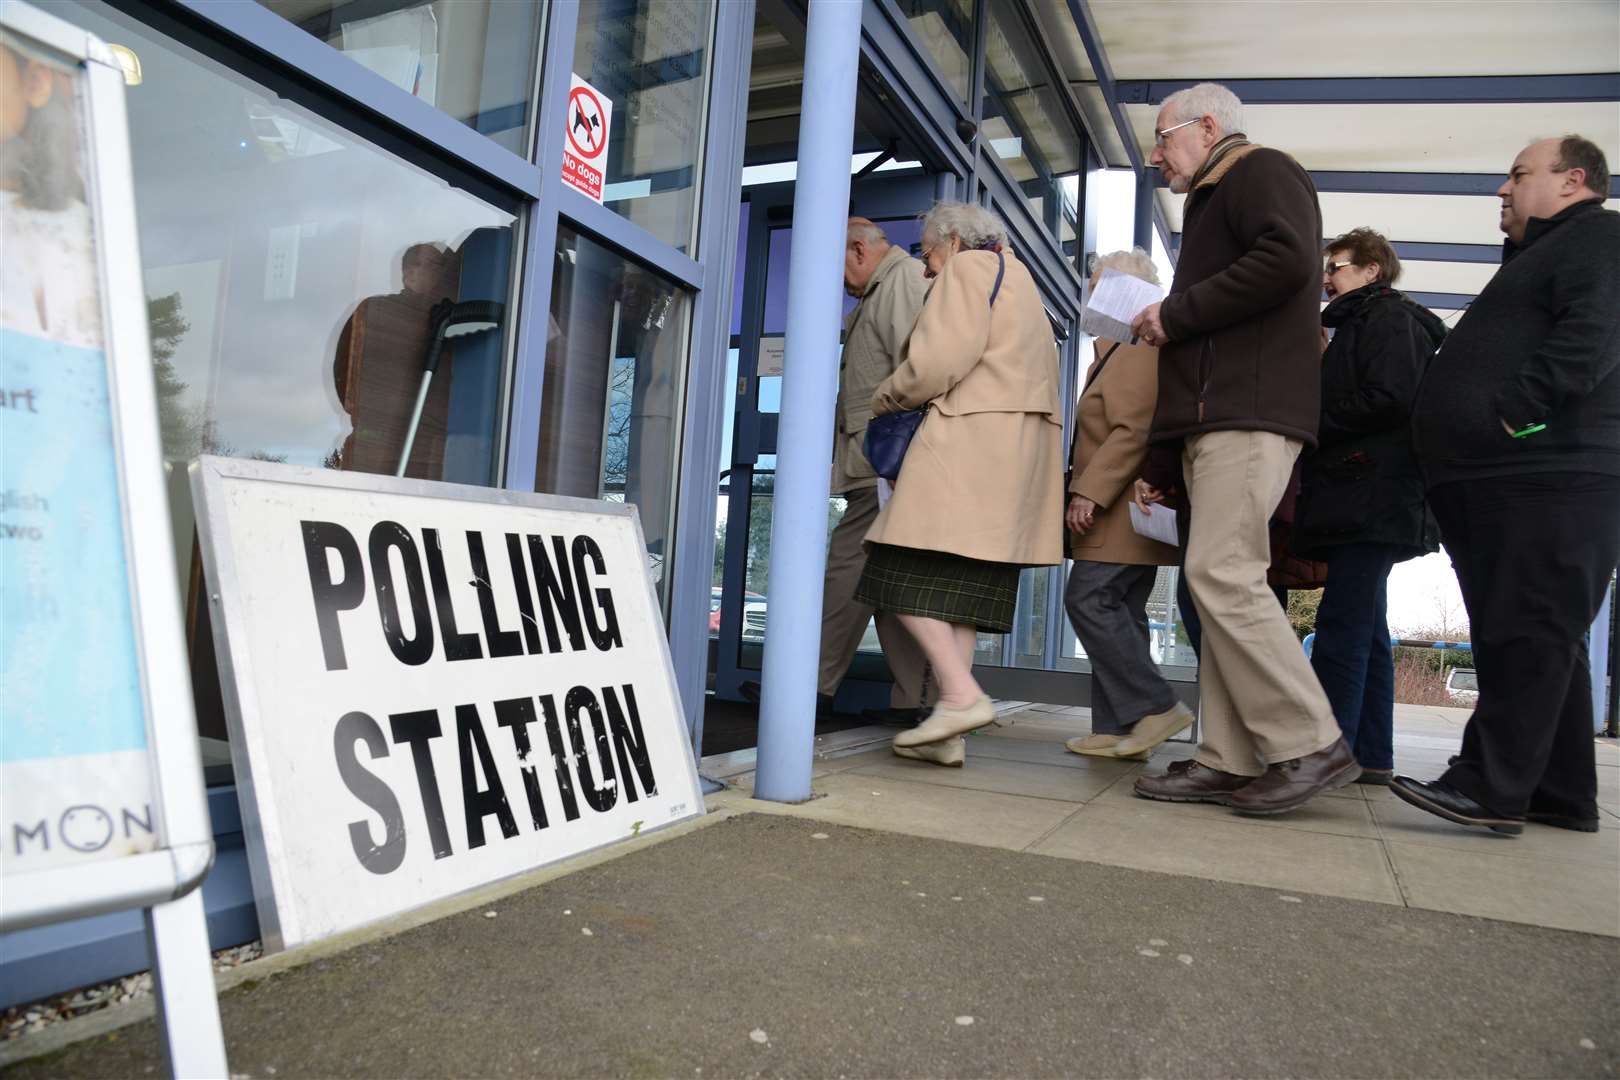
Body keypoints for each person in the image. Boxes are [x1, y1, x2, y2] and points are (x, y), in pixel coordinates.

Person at [1127, 82, 1360, 810]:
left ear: (1206, 126)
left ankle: (1310, 742)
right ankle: (1227, 755)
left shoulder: (1260, 170)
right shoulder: (1223, 191)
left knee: (1223, 574)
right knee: (1217, 578)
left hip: (1246, 414)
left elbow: (1288, 262)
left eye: (1163, 138)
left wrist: (1176, 310)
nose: (1155, 156)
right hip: (1221, 415)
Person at [1395, 136, 1620, 835]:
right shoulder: (1547, 255)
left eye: (1520, 175)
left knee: (1528, 629)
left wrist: (1510, 417)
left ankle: (1489, 787)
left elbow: (1593, 335)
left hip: (1551, 474)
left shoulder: (1600, 237)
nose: (1502, 190)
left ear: (1574, 181)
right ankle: (1559, 791)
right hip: (1512, 479)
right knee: (1531, 631)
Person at [855, 201, 1063, 766]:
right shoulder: (1021, 281)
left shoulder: (970, 270)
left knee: (891, 574)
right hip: (1013, 459)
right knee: (958, 594)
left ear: (951, 241)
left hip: (967, 447)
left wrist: (885, 397)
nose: (927, 268)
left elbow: (938, 360)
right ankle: (950, 727)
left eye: (928, 254)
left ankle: (962, 695)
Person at [1292, 228, 1443, 786]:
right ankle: (1372, 755)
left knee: (1342, 627)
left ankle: (1326, 753)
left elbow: (1390, 398)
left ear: (1372, 270)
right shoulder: (1369, 323)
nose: (1327, 278)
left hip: (1371, 493)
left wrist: (1313, 426)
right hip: (1372, 494)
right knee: (1366, 627)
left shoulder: (1385, 321)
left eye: (1338, 266)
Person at [1062, 249, 1192, 761]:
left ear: (1124, 290)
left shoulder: (1138, 346)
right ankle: (1121, 729)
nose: (1090, 296)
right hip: (1125, 509)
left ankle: (1154, 706)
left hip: (1117, 507)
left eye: (1098, 285)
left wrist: (1087, 491)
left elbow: (1132, 427)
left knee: (1089, 599)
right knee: (1122, 610)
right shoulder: (1118, 347)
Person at [815, 218, 933, 723]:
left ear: (858, 249)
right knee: (889, 584)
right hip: (882, 464)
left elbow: (919, 367)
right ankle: (915, 701)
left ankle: (809, 688)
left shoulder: (902, 279)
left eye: (839, 267)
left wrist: (900, 460)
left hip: (886, 466)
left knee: (846, 569)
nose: (839, 284)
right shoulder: (882, 289)